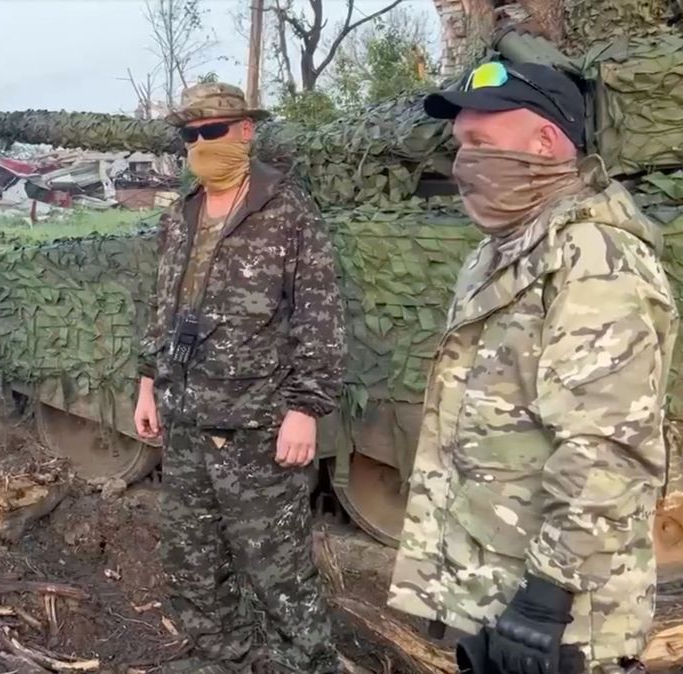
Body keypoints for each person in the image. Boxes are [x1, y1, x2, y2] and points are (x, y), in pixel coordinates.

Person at [387, 60, 678, 674]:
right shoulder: (502, 250)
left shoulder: (595, 256)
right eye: (459, 144)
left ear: (544, 142)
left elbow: (607, 447)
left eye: (479, 143)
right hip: (494, 585)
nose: (462, 161)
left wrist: (547, 598)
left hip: (563, 614)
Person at [133, 82, 347, 674]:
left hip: (257, 422)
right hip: (184, 417)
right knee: (192, 555)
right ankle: (223, 656)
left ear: (246, 131)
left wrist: (306, 407)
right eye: (190, 135)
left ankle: (306, 663)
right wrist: (149, 381)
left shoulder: (287, 211)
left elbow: (319, 314)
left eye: (213, 130)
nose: (200, 144)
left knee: (276, 563)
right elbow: (162, 306)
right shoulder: (182, 215)